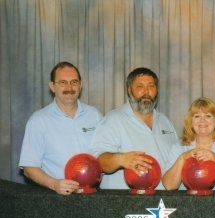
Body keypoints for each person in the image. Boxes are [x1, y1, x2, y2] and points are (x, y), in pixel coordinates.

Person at [18, 61, 103, 195]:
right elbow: (29, 168)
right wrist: (54, 184)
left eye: (74, 82)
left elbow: (105, 154)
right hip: (57, 199)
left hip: (94, 196)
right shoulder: (38, 120)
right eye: (62, 82)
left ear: (81, 85)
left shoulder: (95, 115)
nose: (69, 87)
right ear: (52, 86)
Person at [89, 67, 178, 189]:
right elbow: (98, 161)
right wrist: (122, 159)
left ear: (157, 90)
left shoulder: (165, 122)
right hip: (124, 202)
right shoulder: (113, 119)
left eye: (151, 86)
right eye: (140, 86)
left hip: (162, 202)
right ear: (129, 90)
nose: (146, 92)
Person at [162, 97, 215, 192]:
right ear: (190, 122)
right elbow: (169, 186)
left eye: (208, 116)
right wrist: (183, 157)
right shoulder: (178, 147)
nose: (202, 121)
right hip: (186, 203)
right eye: (197, 116)